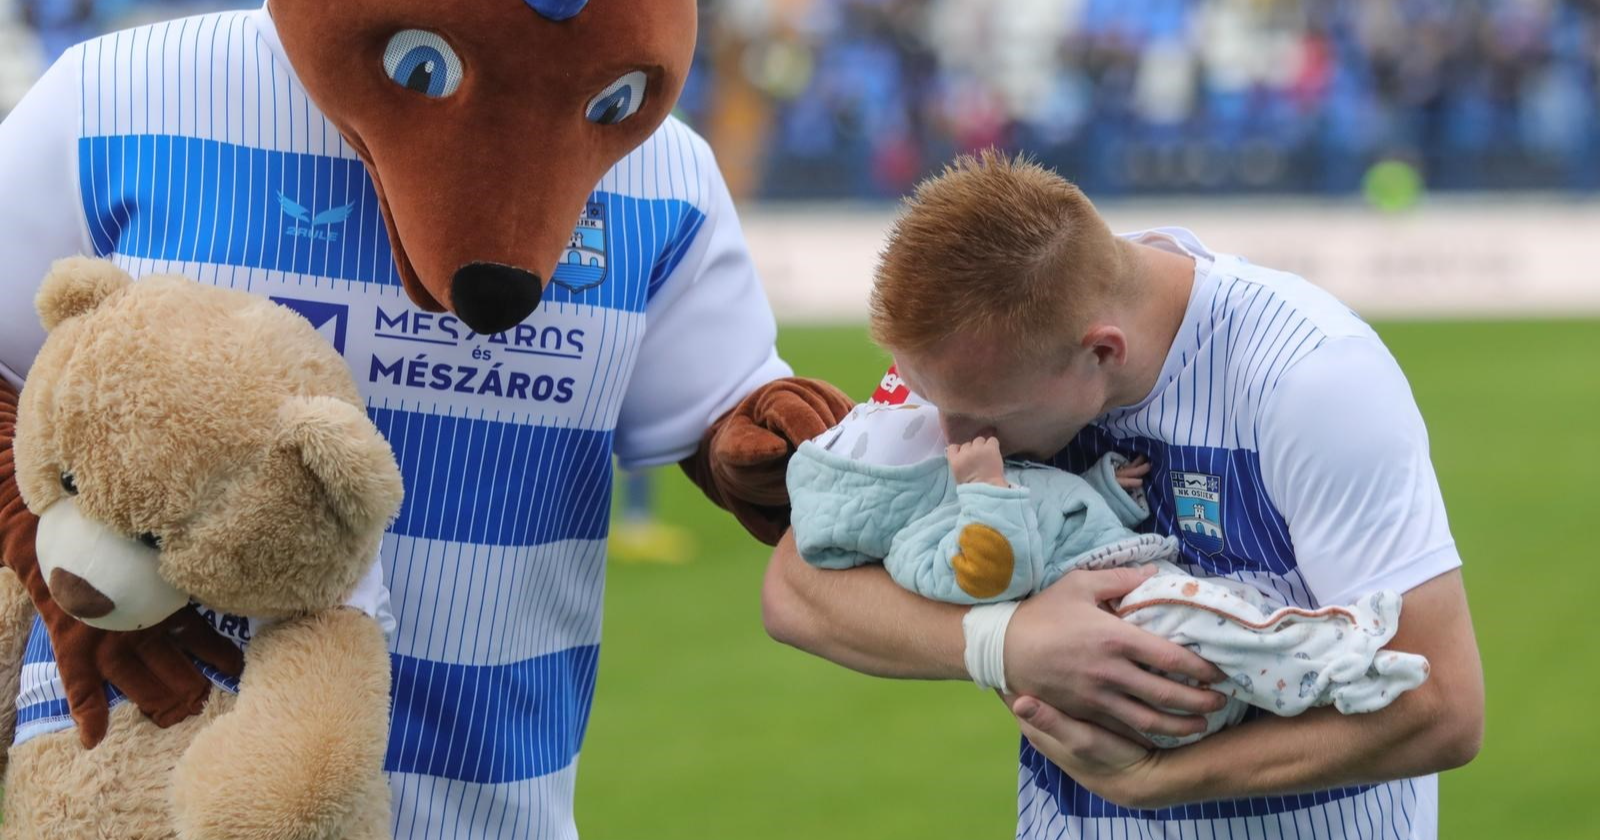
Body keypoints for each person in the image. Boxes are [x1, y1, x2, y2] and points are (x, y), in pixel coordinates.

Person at [0, 2, 850, 836]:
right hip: (132, 792)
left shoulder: (657, 164)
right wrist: (49, 561)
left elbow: (724, 414)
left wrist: (766, 449)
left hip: (494, 804)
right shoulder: (116, 97)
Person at [762, 151, 1483, 838]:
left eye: (982, 417)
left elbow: (1442, 706)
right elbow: (796, 588)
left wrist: (1158, 779)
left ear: (1103, 352)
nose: (947, 438)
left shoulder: (1313, 376)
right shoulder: (978, 352)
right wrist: (1006, 643)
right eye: (928, 400)